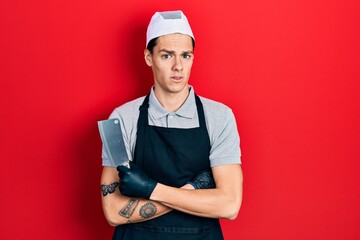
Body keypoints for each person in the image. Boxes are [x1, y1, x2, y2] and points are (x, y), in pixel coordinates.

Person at [100, 10, 243, 239]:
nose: (178, 66)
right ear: (149, 57)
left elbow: (229, 205)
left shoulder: (221, 116)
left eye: (185, 55)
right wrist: (194, 190)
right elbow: (113, 212)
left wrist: (151, 189)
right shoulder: (120, 118)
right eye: (166, 55)